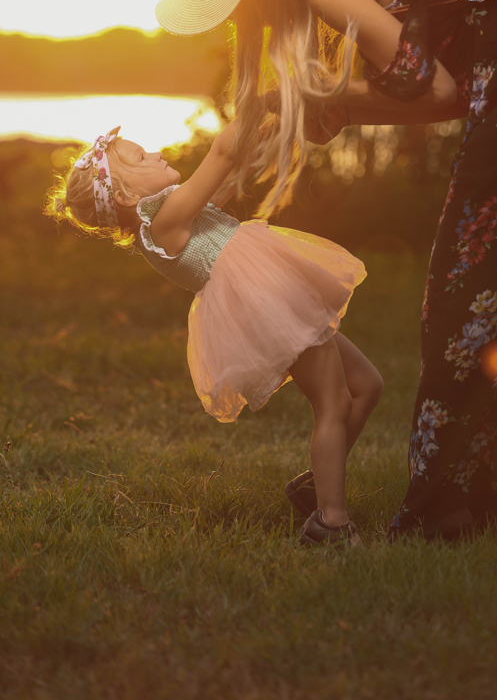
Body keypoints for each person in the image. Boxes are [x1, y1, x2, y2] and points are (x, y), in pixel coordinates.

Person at [154, 0, 497, 541]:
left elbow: (438, 93)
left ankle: (438, 511)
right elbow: (444, 91)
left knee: (464, 298)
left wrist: (311, 97)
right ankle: (470, 493)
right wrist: (336, 106)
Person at [46, 122, 383, 547]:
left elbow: (230, 170)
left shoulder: (172, 210)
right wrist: (261, 103)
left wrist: (273, 129)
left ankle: (320, 484)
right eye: (141, 157)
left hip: (276, 296)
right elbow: (223, 153)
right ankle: (331, 523)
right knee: (333, 403)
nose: (156, 153)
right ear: (126, 196)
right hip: (270, 305)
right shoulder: (164, 223)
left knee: (367, 385)